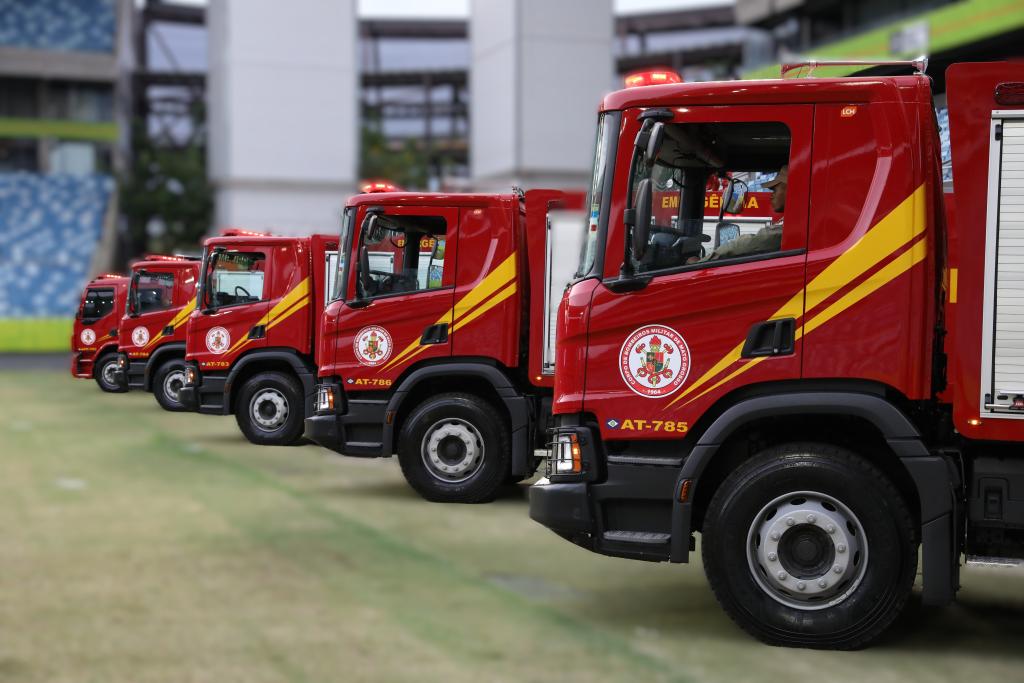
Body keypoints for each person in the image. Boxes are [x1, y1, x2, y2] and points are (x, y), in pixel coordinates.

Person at [705, 164, 787, 261]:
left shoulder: (789, 228)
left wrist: (703, 261)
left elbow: (747, 244)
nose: (771, 195)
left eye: (775, 189)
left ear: (792, 189)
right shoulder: (793, 224)